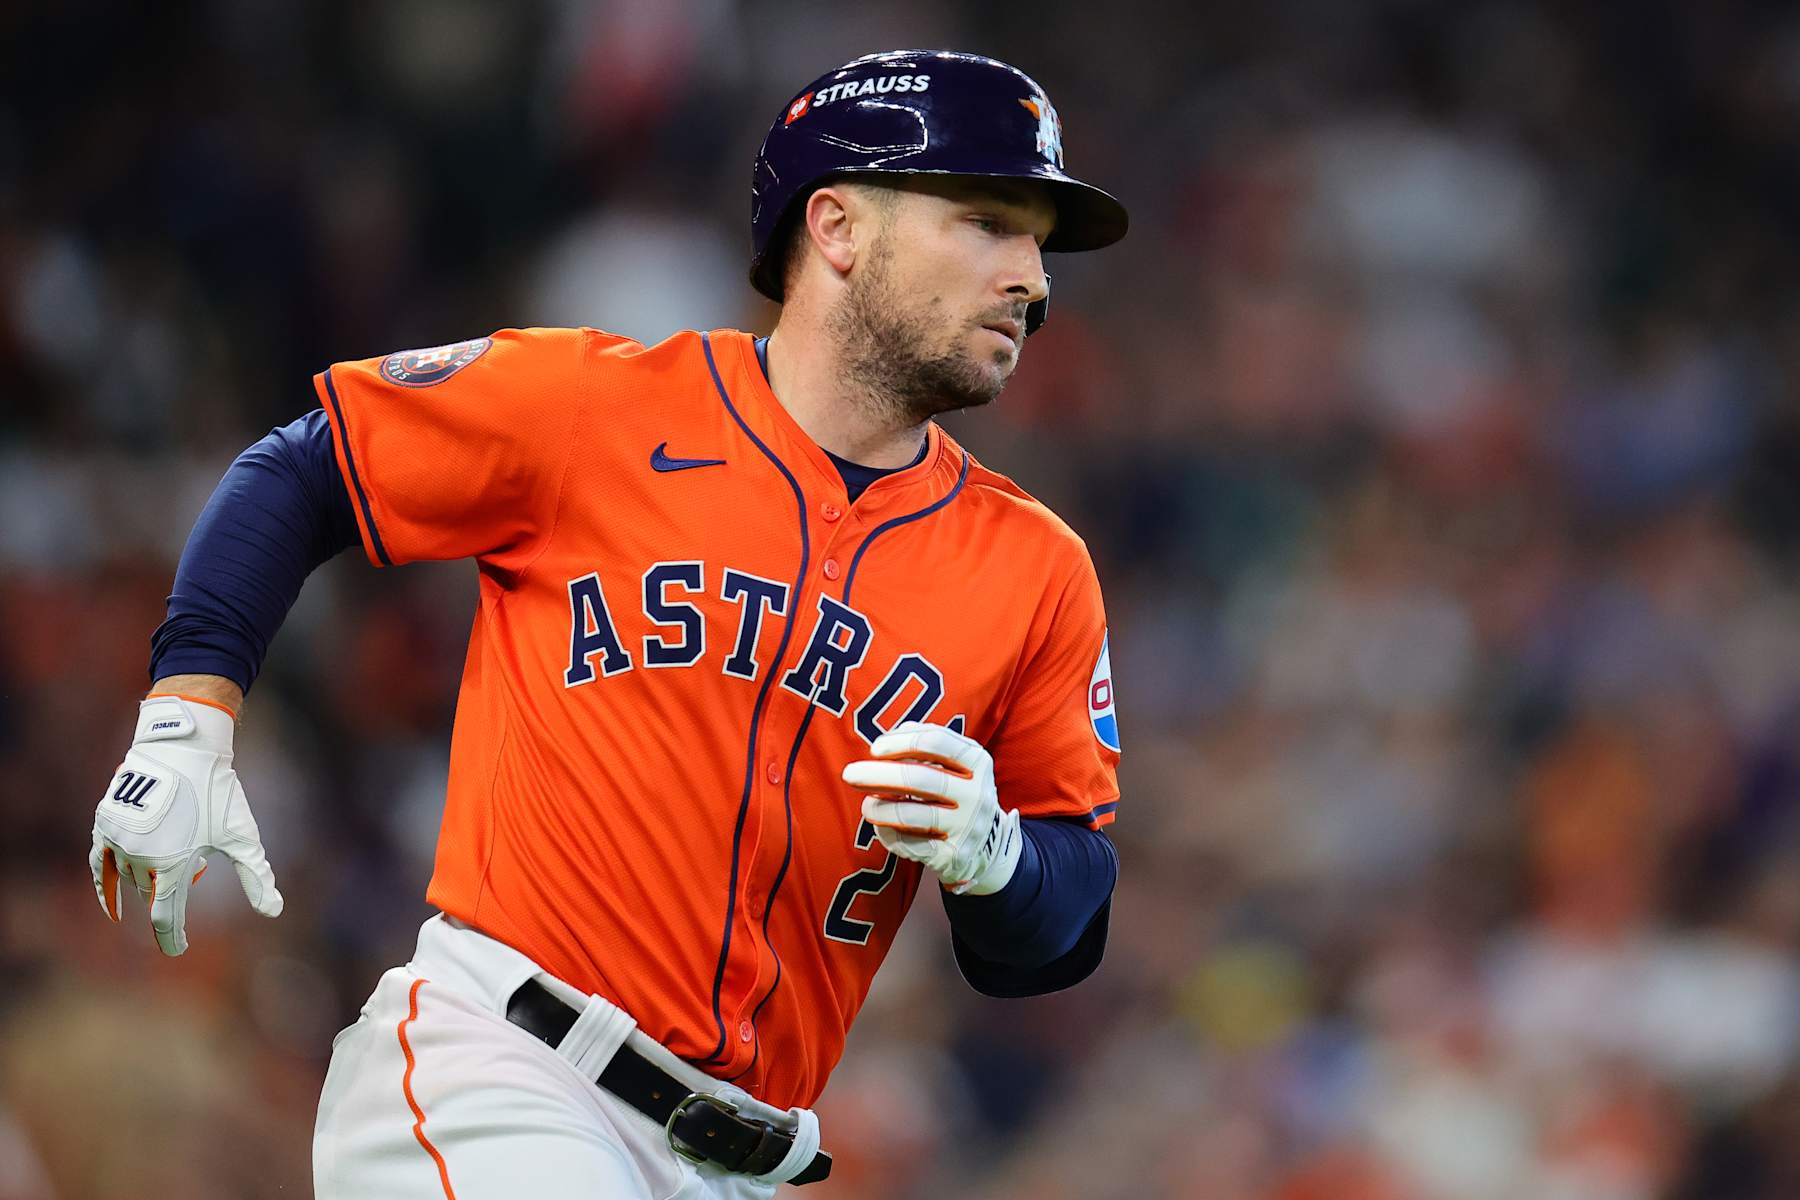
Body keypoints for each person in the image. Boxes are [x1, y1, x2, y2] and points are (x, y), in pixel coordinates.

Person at [89, 48, 1127, 1198]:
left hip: (744, 1160)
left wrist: (1002, 860)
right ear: (835, 228)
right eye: (989, 222)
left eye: (1037, 241)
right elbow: (303, 472)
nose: (1032, 278)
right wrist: (188, 711)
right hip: (509, 1074)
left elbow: (1054, 934)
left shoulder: (1036, 568)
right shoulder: (595, 407)